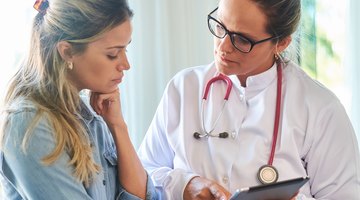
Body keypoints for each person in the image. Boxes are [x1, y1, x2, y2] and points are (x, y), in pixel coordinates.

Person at [137, 0, 360, 199]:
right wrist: (184, 185)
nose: (223, 47)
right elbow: (143, 172)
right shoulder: (183, 88)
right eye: (220, 26)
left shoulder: (321, 109)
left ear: (281, 43)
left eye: (241, 40)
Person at [0, 0, 157, 199]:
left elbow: (142, 195)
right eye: (113, 54)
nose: (126, 64)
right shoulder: (29, 125)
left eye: (125, 50)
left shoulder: (93, 118)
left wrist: (118, 126)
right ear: (67, 52)